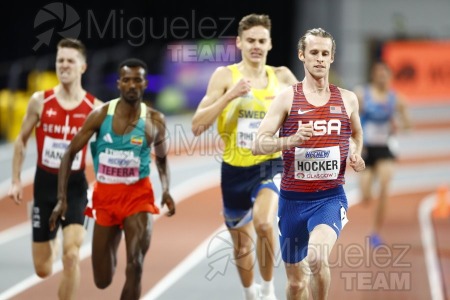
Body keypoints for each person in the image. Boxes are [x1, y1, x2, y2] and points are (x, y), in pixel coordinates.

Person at [252, 28, 366, 299]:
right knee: (294, 285)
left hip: (330, 199)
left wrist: (355, 152)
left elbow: (357, 133)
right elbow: (259, 144)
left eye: (325, 53)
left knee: (316, 257)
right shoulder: (287, 98)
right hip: (292, 202)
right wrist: (288, 141)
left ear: (332, 58)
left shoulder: (348, 99)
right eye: (314, 53)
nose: (319, 59)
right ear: (302, 55)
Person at [49, 58, 175, 300]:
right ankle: (117, 238)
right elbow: (68, 154)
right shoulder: (100, 115)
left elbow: (161, 160)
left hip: (138, 198)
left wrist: (166, 190)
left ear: (145, 84)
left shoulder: (155, 120)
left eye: (137, 80)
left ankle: (130, 242)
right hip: (105, 199)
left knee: (135, 265)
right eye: (126, 80)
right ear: (119, 84)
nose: (131, 85)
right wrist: (61, 199)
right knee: (102, 280)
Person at [192, 13, 298, 300]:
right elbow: (197, 125)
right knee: (241, 246)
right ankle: (251, 294)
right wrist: (229, 97)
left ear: (270, 44)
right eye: (250, 40)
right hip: (234, 169)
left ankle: (268, 290)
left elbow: (308, 111)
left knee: (264, 223)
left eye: (262, 41)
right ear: (239, 42)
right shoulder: (225, 76)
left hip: (270, 162)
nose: (256, 46)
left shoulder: (283, 77)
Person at [8, 38, 102, 300]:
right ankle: (51, 239)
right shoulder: (40, 101)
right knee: (43, 269)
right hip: (44, 187)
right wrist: (15, 179)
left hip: (74, 188)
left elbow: (107, 147)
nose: (64, 65)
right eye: (60, 60)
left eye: (70, 60)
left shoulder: (95, 109)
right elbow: (21, 140)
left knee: (72, 255)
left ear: (82, 67)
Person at [354, 61, 411, 248]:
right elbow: (350, 118)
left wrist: (398, 125)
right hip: (367, 149)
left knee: (385, 185)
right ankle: (367, 189)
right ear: (373, 76)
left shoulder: (397, 99)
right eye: (378, 74)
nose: (382, 77)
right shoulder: (363, 95)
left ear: (390, 77)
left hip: (385, 148)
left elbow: (408, 125)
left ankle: (375, 232)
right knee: (366, 196)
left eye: (385, 74)